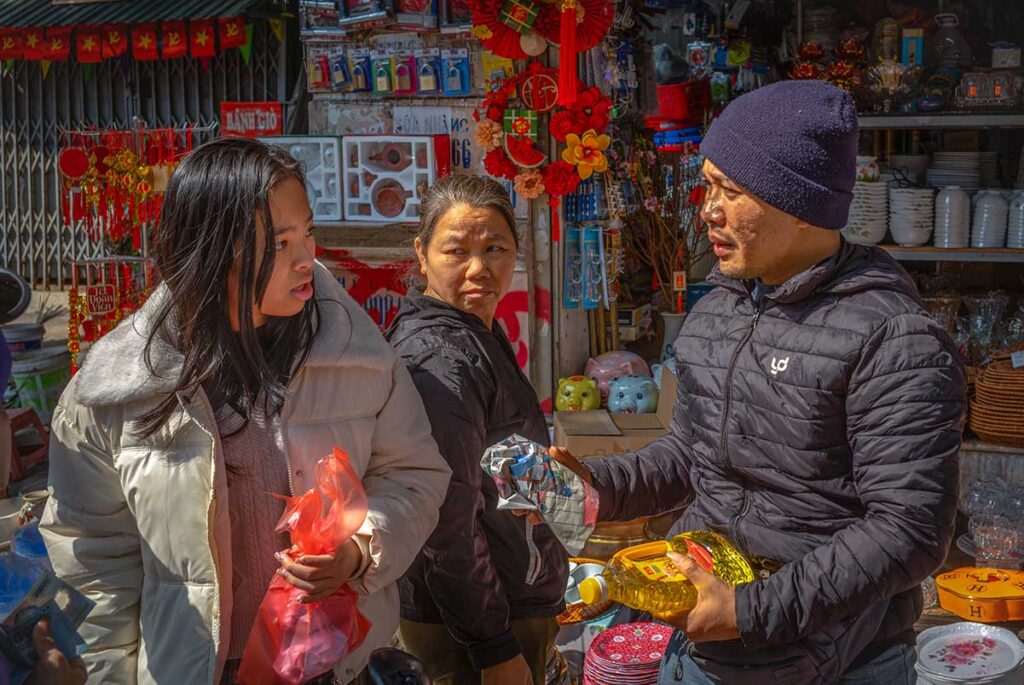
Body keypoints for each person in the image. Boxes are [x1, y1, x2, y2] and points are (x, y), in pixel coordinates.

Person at [552, 80, 965, 684]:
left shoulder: (894, 337)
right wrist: (594, 488)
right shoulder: (719, 309)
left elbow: (910, 529)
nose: (707, 209)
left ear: (800, 208)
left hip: (829, 655)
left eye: (731, 191)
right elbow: (693, 456)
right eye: (709, 184)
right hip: (713, 640)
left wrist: (753, 610)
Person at [39, 138, 451, 685]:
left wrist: (360, 549)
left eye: (308, 233)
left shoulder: (359, 359)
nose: (307, 258)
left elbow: (414, 475)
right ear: (214, 250)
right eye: (280, 244)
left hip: (330, 664)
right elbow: (92, 560)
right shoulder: (116, 392)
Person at [386, 175, 568, 685]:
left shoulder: (471, 333)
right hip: (473, 625)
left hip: (502, 598)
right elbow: (447, 519)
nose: (478, 268)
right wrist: (493, 648)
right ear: (421, 255)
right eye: (455, 251)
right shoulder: (442, 359)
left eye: (494, 248)